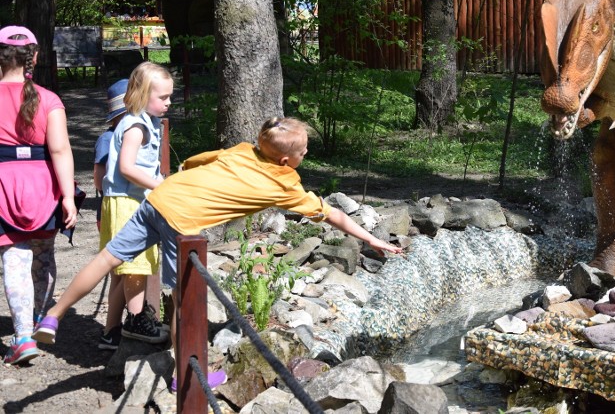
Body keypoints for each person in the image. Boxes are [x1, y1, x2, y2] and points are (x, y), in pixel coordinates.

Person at [34, 116, 402, 387]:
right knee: (183, 300)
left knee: (107, 258)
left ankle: (54, 315)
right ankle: (187, 377)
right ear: (289, 161)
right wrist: (371, 240)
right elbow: (333, 213)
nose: (306, 154)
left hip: (158, 199)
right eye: (305, 151)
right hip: (183, 222)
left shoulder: (244, 150)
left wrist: (185, 174)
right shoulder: (287, 186)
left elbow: (193, 162)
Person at [0, 25, 77, 365]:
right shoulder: (49, 99)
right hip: (42, 185)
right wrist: (68, 197)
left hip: (3, 185)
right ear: (34, 57)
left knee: (14, 259)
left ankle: (22, 337)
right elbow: (60, 151)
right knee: (43, 257)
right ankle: (37, 317)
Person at [100, 63, 172, 345]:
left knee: (128, 266)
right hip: (127, 201)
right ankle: (136, 319)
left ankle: (112, 331)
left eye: (169, 97)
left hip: (133, 200)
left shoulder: (146, 123)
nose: (168, 103)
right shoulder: (136, 126)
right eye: (162, 98)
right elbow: (127, 168)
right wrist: (161, 185)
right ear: (143, 95)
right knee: (134, 266)